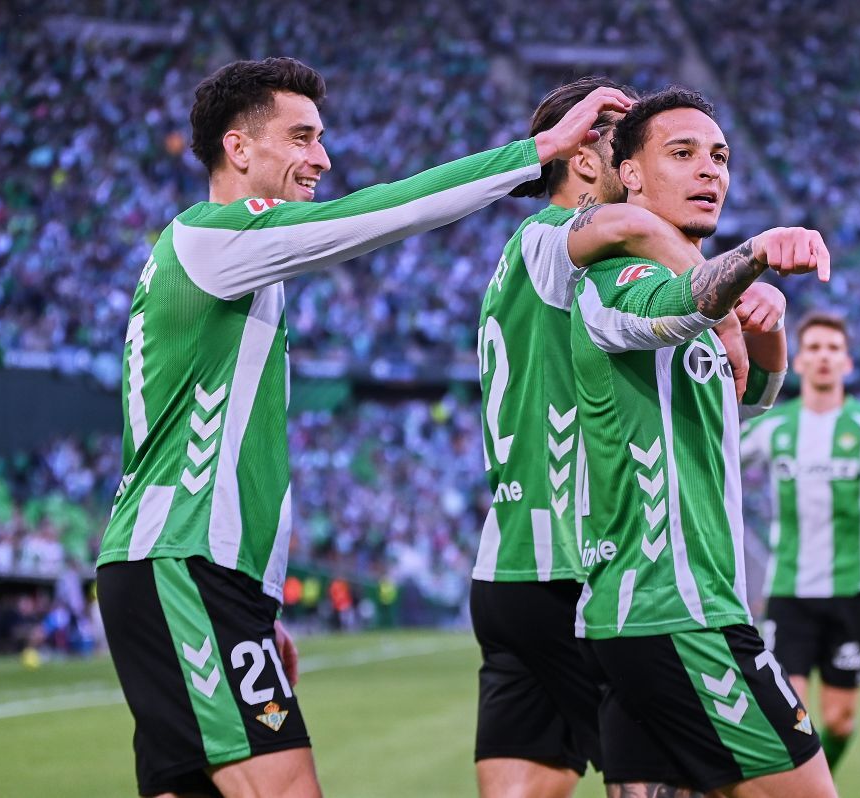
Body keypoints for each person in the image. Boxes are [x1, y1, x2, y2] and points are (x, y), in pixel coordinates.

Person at [94, 57, 627, 798]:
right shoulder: (214, 239)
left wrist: (261, 602)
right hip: (185, 564)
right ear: (238, 148)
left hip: (181, 569)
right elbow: (387, 210)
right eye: (302, 137)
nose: (323, 157)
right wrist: (534, 152)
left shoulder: (211, 260)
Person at [472, 77, 785, 798]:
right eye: (628, 143)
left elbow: (745, 397)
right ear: (587, 157)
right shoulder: (559, 241)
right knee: (683, 770)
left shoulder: (519, 264)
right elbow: (629, 228)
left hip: (508, 566)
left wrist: (749, 312)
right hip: (578, 564)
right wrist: (722, 294)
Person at [570, 86, 838, 797]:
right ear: (628, 174)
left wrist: (767, 316)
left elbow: (753, 394)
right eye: (682, 154)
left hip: (645, 620)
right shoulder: (615, 276)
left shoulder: (694, 290)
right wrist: (753, 257)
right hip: (679, 612)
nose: (709, 171)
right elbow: (668, 309)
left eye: (718, 156)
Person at [740, 311, 860, 772]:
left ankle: (823, 779)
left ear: (846, 363)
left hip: (851, 591)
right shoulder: (774, 426)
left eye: (833, 349)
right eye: (815, 349)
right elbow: (717, 455)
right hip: (790, 592)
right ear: (800, 362)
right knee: (792, 719)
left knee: (840, 721)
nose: (824, 358)